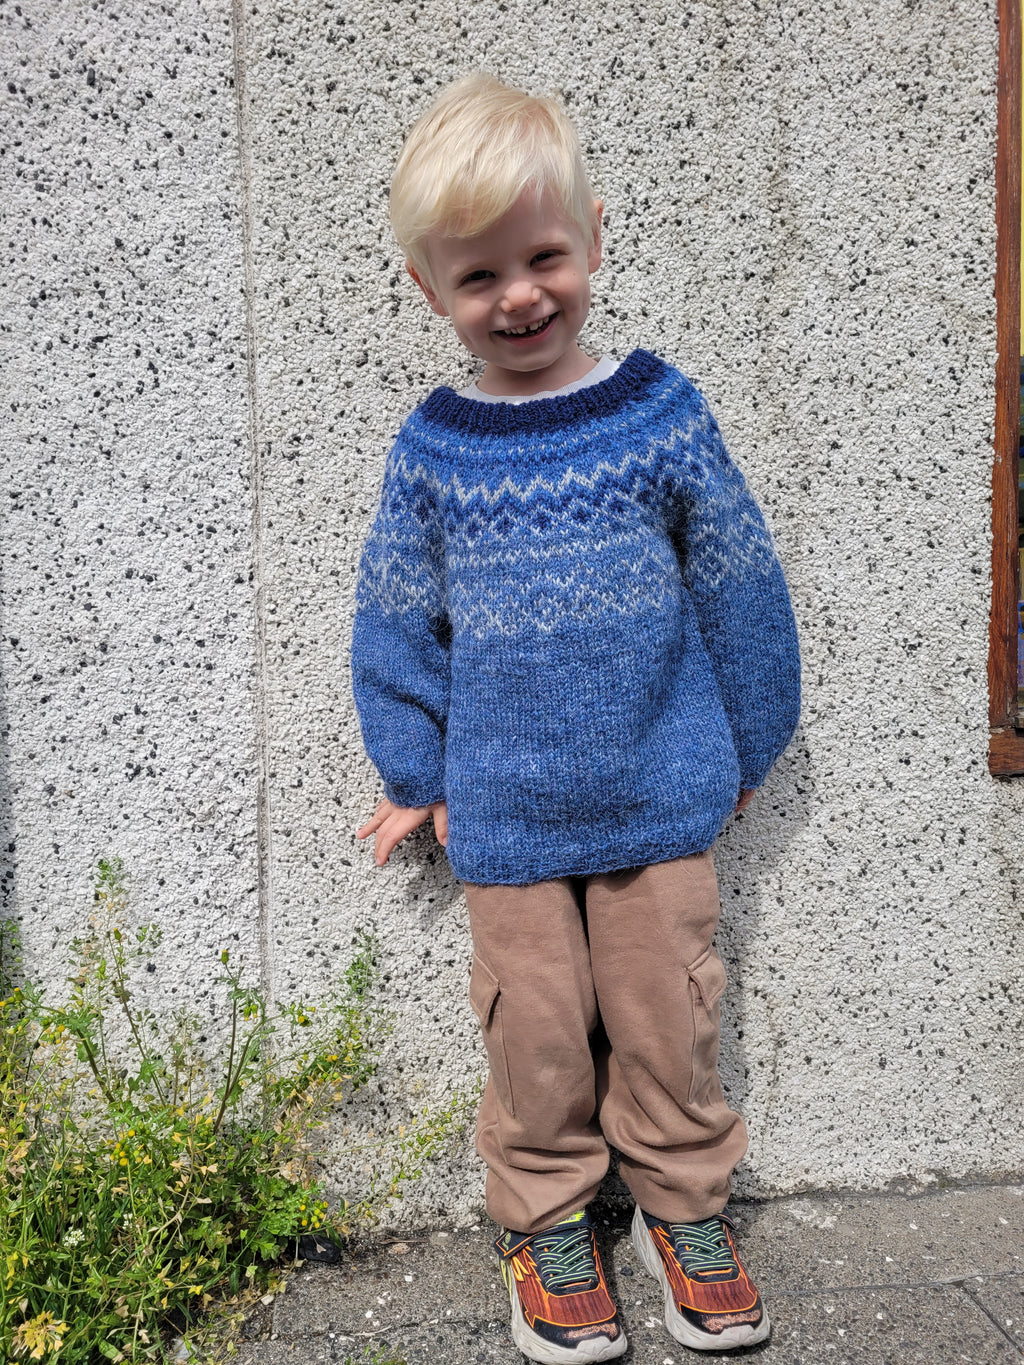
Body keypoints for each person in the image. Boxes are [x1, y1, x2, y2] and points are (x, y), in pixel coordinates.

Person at [351, 72, 801, 1364]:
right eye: (480, 276)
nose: (522, 295)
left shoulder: (658, 411)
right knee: (537, 1029)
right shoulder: (436, 448)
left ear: (595, 240)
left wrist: (750, 738)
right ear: (431, 293)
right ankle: (547, 1216)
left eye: (544, 256)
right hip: (505, 810)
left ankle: (684, 1208)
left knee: (671, 1014)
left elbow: (737, 577)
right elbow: (393, 618)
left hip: (663, 789)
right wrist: (412, 761)